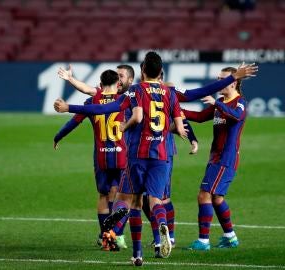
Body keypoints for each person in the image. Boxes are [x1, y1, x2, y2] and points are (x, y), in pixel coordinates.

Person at [55, 51, 187, 266]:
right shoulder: (169, 93)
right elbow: (180, 126)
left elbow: (105, 107)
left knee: (128, 201)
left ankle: (134, 251)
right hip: (161, 156)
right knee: (155, 201)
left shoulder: (135, 91)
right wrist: (184, 136)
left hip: (136, 155)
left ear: (143, 70)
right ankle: (162, 227)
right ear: (161, 71)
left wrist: (69, 107)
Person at [57, 64, 135, 248]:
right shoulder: (124, 100)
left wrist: (58, 136)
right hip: (121, 155)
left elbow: (74, 121)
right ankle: (116, 234)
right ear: (118, 83)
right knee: (121, 196)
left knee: (103, 195)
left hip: (100, 156)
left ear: (100, 84)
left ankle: (104, 235)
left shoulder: (92, 101)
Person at [183, 66, 250, 250]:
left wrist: (216, 104)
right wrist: (176, 110)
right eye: (218, 78)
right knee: (217, 198)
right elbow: (198, 116)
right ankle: (230, 237)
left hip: (225, 159)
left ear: (234, 81)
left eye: (223, 79)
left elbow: (237, 116)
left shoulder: (240, 102)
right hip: (216, 158)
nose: (219, 82)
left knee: (204, 194)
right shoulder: (220, 101)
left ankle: (203, 241)